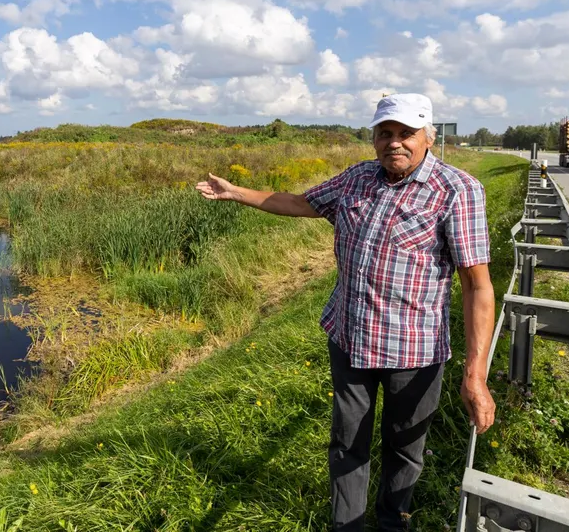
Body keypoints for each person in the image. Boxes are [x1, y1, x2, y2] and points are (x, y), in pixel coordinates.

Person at [195, 93, 496, 531]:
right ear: (374, 138)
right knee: (347, 444)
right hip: (350, 339)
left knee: (405, 447)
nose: (395, 143)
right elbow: (301, 203)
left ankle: (393, 521)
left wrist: (475, 373)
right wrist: (235, 192)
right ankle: (348, 525)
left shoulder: (458, 190)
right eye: (385, 133)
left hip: (413, 351)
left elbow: (478, 285)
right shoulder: (357, 178)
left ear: (428, 137)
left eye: (406, 133)